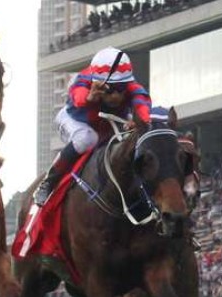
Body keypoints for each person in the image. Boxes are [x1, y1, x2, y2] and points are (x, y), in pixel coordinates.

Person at [34, 47, 152, 205]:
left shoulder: (133, 86)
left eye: (121, 88)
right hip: (75, 120)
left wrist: (141, 121)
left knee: (134, 138)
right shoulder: (84, 79)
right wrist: (89, 97)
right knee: (87, 139)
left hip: (107, 122)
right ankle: (48, 182)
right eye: (110, 89)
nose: (116, 96)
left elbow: (142, 103)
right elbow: (78, 96)